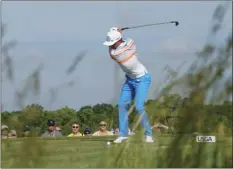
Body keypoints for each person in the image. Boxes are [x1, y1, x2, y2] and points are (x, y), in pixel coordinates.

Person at [103, 27, 154, 143]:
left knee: (139, 106)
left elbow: (116, 46)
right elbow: (128, 40)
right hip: (130, 80)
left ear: (118, 41)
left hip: (143, 79)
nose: (111, 45)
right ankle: (123, 134)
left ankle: (149, 134)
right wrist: (119, 33)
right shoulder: (125, 47)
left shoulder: (117, 52)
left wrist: (117, 32)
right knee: (121, 105)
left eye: (112, 43)